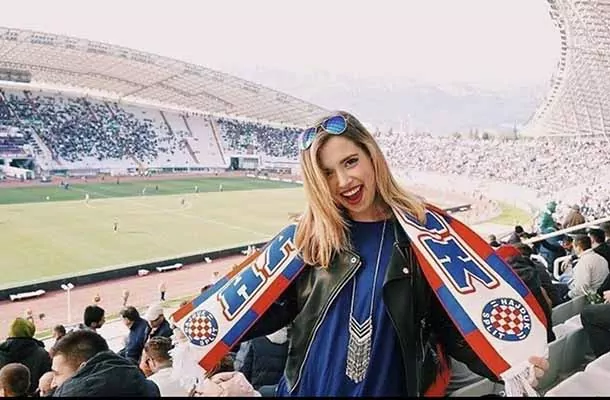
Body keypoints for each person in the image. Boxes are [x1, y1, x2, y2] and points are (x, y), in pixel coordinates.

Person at [238, 111, 548, 397]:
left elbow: (452, 325)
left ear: (372, 156)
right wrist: (203, 350)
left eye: (350, 162)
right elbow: (251, 312)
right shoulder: (309, 239)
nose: (344, 182)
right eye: (327, 173)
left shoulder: (424, 232)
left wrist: (510, 363)